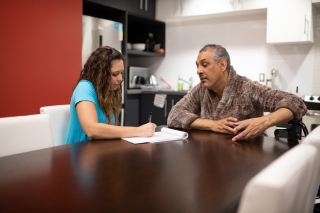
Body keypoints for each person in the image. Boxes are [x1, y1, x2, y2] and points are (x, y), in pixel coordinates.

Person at [167, 44, 307, 142]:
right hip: (210, 157)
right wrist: (212, 125)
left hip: (247, 159)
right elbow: (174, 116)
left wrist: (263, 122)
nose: (198, 71)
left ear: (222, 65)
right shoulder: (201, 90)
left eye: (204, 65)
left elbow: (296, 103)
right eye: (197, 66)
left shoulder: (246, 87)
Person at [66, 46, 156, 144]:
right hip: (78, 155)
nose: (121, 78)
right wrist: (137, 131)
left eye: (121, 73)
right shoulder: (84, 87)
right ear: (100, 73)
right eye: (115, 74)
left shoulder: (106, 91)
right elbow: (91, 129)